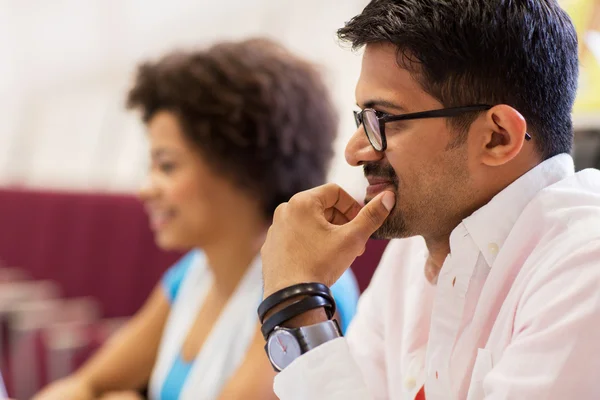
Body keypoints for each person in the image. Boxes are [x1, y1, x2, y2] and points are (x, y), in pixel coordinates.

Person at [258, 1, 600, 399]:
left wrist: (297, 306)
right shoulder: (416, 246)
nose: (355, 151)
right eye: (361, 120)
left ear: (497, 137)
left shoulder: (585, 267)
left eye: (382, 120)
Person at [33, 38, 359, 400]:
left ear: (242, 169)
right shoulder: (193, 273)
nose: (146, 189)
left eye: (167, 165)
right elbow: (88, 383)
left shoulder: (308, 291)